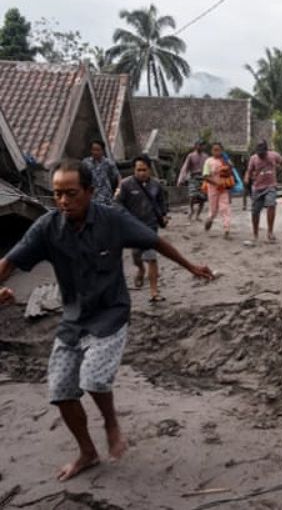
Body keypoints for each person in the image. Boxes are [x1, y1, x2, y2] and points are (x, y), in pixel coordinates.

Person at [0, 159, 213, 482]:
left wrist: (191, 266)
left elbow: (154, 241)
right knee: (60, 390)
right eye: (57, 194)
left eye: (71, 194)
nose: (63, 201)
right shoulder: (47, 227)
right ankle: (87, 451)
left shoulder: (112, 220)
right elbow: (10, 261)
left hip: (111, 313)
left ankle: (111, 421)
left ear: (89, 191)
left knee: (94, 378)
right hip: (73, 317)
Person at [115, 155, 168, 303]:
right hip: (132, 227)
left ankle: (153, 291)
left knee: (151, 258)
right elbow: (117, 204)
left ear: (150, 170)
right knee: (136, 256)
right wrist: (125, 219)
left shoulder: (156, 185)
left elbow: (162, 202)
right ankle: (140, 269)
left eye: (144, 170)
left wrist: (163, 215)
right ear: (134, 170)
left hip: (150, 227)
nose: (141, 173)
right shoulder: (125, 185)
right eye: (138, 170)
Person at [244, 140, 282, 243]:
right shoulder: (253, 158)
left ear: (266, 150)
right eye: (259, 152)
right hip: (257, 187)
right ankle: (255, 234)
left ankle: (270, 232)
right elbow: (249, 171)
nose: (261, 154)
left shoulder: (274, 155)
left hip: (271, 186)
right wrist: (247, 178)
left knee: (271, 205)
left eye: (262, 152)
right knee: (255, 211)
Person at [203, 142, 235, 238]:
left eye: (218, 150)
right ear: (211, 151)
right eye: (214, 150)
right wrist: (216, 184)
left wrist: (230, 167)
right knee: (213, 210)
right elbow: (205, 176)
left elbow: (229, 173)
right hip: (212, 188)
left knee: (225, 208)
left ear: (222, 151)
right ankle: (210, 219)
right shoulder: (208, 161)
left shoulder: (225, 161)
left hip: (224, 188)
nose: (216, 152)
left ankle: (226, 229)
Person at [177, 139, 209, 221]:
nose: (201, 147)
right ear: (195, 146)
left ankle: (198, 215)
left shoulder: (206, 157)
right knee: (192, 195)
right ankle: (191, 210)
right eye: (199, 145)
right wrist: (181, 179)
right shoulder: (190, 156)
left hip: (203, 178)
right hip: (193, 178)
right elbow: (185, 168)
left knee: (202, 198)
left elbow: (210, 168)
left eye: (202, 145)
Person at [81, 139, 120, 206]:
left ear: (103, 150)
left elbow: (118, 176)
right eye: (93, 150)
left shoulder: (108, 163)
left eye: (98, 150)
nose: (95, 152)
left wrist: (118, 190)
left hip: (106, 196)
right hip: (92, 197)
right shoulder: (85, 163)